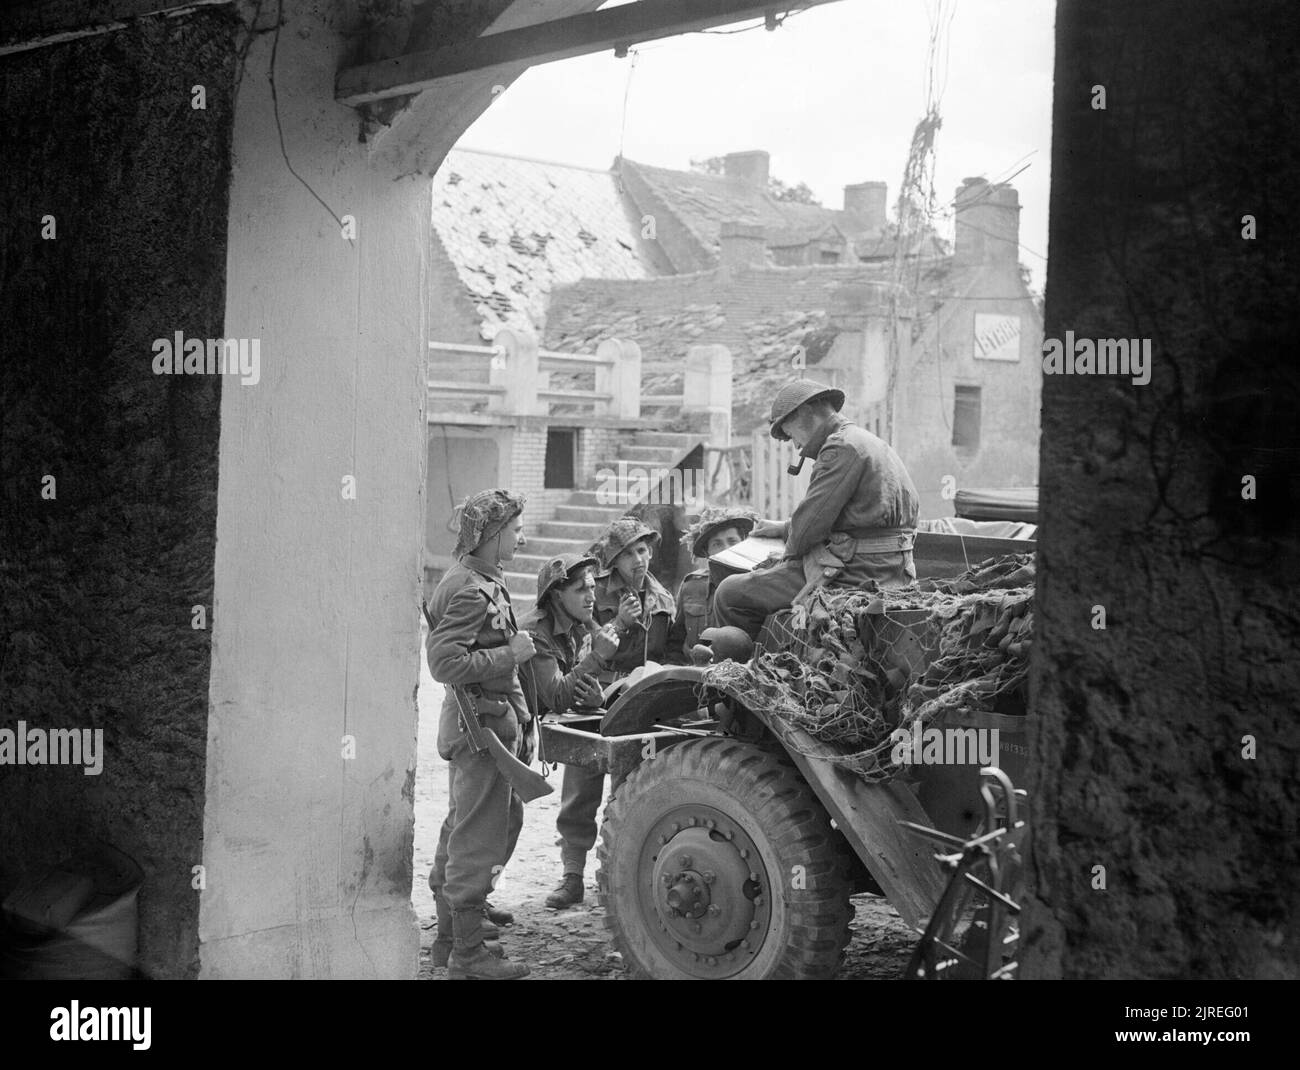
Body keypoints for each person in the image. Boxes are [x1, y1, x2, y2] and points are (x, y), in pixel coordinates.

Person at [711, 379, 920, 640]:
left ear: (806, 413)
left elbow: (807, 531)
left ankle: (752, 674)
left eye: (791, 435)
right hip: (892, 569)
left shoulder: (839, 448)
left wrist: (783, 551)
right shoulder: (867, 441)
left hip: (855, 573)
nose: (796, 445)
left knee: (730, 593)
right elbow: (857, 517)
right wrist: (784, 528)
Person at [425, 489, 536, 980]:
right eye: (513, 530)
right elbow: (444, 663)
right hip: (480, 731)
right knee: (477, 837)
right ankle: (467, 957)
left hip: (492, 723)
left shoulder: (484, 578)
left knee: (472, 825)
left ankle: (451, 938)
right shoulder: (470, 588)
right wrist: (511, 654)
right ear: (491, 536)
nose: (521, 536)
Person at [543, 517, 676, 909]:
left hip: (640, 699)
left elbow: (670, 653)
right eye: (630, 552)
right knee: (581, 786)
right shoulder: (592, 592)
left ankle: (622, 877)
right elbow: (580, 645)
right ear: (614, 559)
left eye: (644, 550)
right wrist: (619, 622)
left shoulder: (663, 597)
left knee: (632, 788)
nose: (640, 559)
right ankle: (572, 875)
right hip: (591, 695)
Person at [666, 505, 758, 664]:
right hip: (695, 678)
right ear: (707, 552)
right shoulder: (692, 586)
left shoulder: (758, 585)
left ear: (743, 544)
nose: (726, 549)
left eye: (732, 541)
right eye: (717, 544)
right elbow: (675, 644)